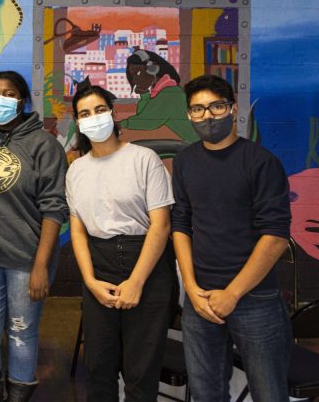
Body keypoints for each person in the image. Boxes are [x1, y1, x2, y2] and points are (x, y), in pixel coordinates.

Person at [171, 74, 292, 402]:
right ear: (189, 115)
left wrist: (233, 294)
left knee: (269, 393)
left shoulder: (261, 163)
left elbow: (276, 236)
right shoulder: (184, 162)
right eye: (197, 110)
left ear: (232, 108)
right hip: (200, 300)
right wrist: (191, 288)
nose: (207, 116)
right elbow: (180, 224)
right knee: (205, 392)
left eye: (216, 107)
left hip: (255, 300)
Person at [0, 70, 68, 402]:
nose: (0, 99)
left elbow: (53, 209)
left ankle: (18, 396)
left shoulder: (44, 145)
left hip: (27, 260)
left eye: (8, 93)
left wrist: (41, 266)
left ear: (22, 100)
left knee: (22, 333)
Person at [65, 82, 177, 401]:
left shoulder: (143, 159)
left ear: (113, 114)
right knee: (99, 367)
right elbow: (77, 231)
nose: (93, 118)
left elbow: (161, 225)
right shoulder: (76, 171)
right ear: (78, 122)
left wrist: (136, 283)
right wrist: (89, 281)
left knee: (140, 372)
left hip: (146, 264)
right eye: (85, 113)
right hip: (98, 266)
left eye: (100, 110)